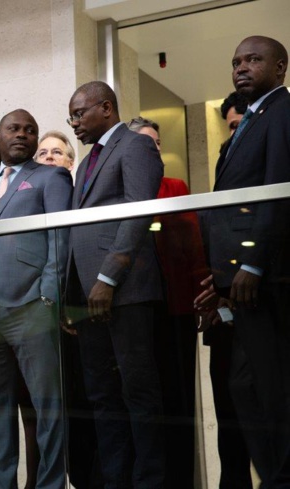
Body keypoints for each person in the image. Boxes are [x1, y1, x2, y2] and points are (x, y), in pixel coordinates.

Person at [0, 109, 71, 488]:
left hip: (30, 308)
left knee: (47, 408)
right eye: (14, 129)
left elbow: (60, 239)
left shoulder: (50, 177)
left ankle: (51, 485)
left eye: (30, 130)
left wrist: (48, 298)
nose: (22, 134)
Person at [197, 35, 290, 487]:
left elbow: (278, 190)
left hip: (269, 277)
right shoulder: (251, 121)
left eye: (254, 59)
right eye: (236, 61)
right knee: (244, 388)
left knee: (274, 392)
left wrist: (253, 265)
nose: (241, 67)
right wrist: (220, 279)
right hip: (236, 282)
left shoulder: (283, 112)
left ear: (280, 67)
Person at [65, 81, 165, 487]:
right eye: (70, 116)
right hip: (87, 300)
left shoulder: (135, 145)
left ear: (105, 108)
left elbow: (138, 214)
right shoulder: (88, 161)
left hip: (124, 292)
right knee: (103, 397)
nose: (73, 123)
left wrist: (108, 277)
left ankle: (150, 481)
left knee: (139, 394)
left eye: (78, 113)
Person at [129, 116, 207, 488]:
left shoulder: (173, 186)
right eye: (147, 143)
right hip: (133, 311)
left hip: (174, 307)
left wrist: (202, 297)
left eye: (158, 143)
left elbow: (191, 245)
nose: (155, 149)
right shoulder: (119, 190)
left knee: (178, 399)